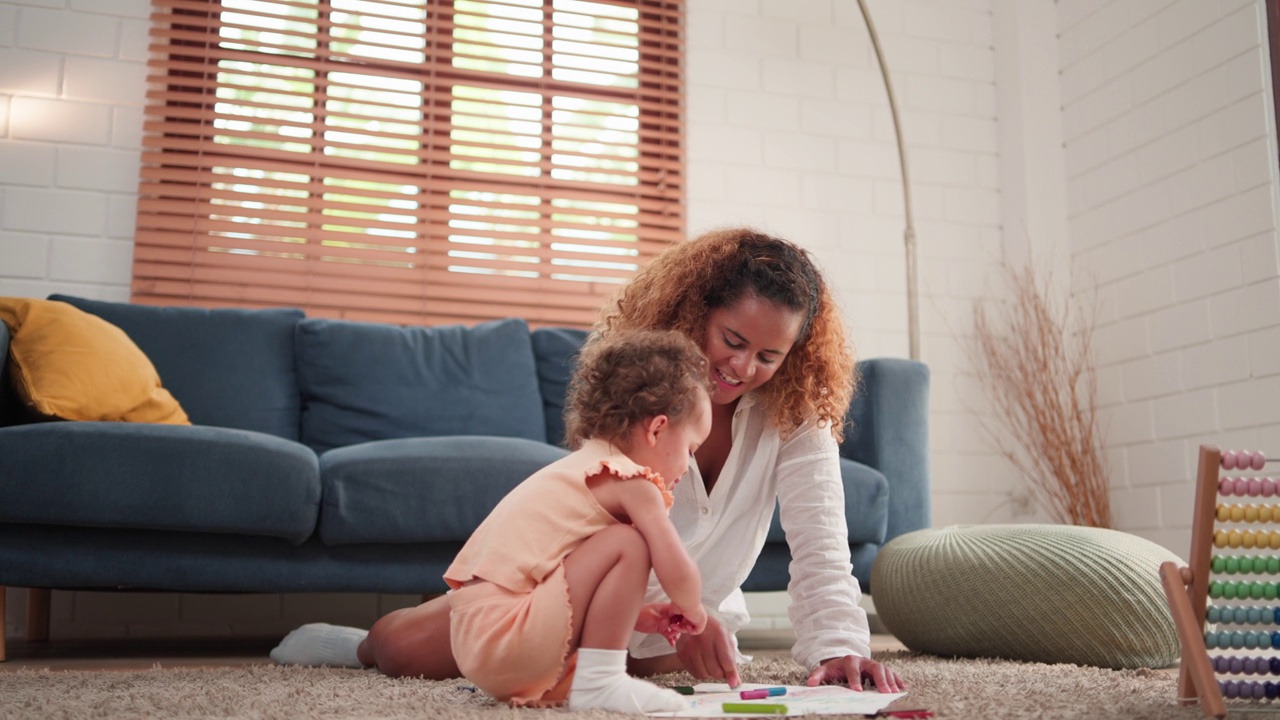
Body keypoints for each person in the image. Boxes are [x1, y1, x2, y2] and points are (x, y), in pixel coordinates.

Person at [271, 227, 905, 693]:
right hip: (573, 592)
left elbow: (821, 545)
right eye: (732, 341)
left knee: (627, 673)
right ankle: (355, 643)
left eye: (769, 356)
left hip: (676, 620)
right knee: (401, 649)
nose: (743, 368)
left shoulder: (795, 416)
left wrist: (841, 648)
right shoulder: (648, 392)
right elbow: (596, 533)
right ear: (697, 312)